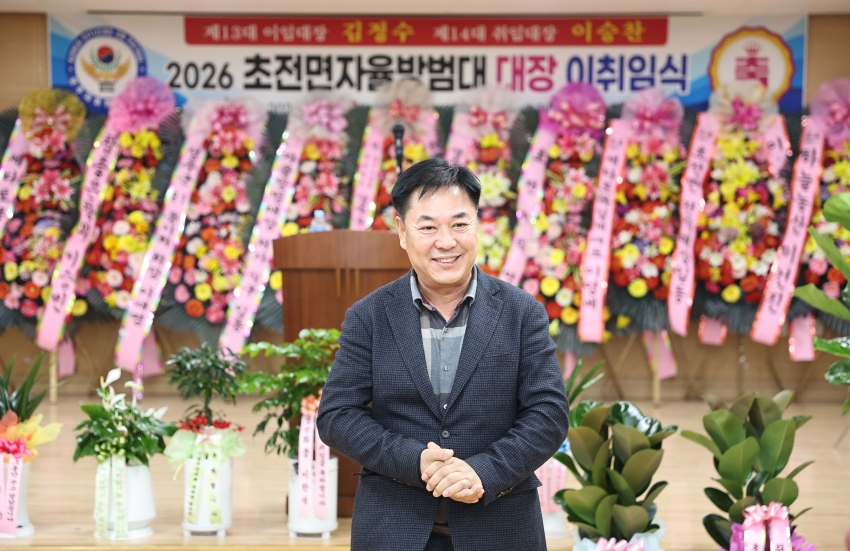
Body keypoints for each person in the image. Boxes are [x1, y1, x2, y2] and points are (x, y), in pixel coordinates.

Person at [316, 158, 569, 551]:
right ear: (402, 231)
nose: (446, 241)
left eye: (459, 224)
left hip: (500, 528)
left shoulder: (522, 313)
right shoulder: (370, 316)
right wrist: (413, 460)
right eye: (428, 227)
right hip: (393, 530)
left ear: (478, 225)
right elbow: (337, 414)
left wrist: (484, 471)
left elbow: (548, 414)